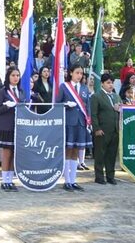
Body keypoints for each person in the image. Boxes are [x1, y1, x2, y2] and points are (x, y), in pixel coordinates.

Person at [56, 64, 92, 192]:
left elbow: (87, 106)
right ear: (71, 73)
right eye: (77, 72)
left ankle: (73, 180)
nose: (79, 75)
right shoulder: (64, 87)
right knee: (68, 150)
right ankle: (67, 181)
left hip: (81, 123)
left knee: (76, 151)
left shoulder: (84, 88)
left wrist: (89, 120)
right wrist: (65, 104)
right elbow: (57, 104)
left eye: (81, 73)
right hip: (69, 122)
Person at [0, 67, 25, 191]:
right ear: (8, 77)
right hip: (6, 126)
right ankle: (4, 180)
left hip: (17, 127)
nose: (15, 78)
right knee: (6, 154)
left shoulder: (21, 91)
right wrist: (6, 106)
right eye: (13, 75)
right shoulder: (3, 91)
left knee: (14, 155)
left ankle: (10, 180)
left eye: (17, 75)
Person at [91, 73, 122, 185]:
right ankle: (99, 176)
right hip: (102, 130)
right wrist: (97, 128)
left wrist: (120, 109)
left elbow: (122, 110)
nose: (111, 85)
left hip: (115, 130)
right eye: (108, 83)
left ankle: (110, 176)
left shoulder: (116, 96)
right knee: (100, 154)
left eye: (112, 83)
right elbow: (93, 114)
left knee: (112, 154)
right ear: (102, 84)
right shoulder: (96, 96)